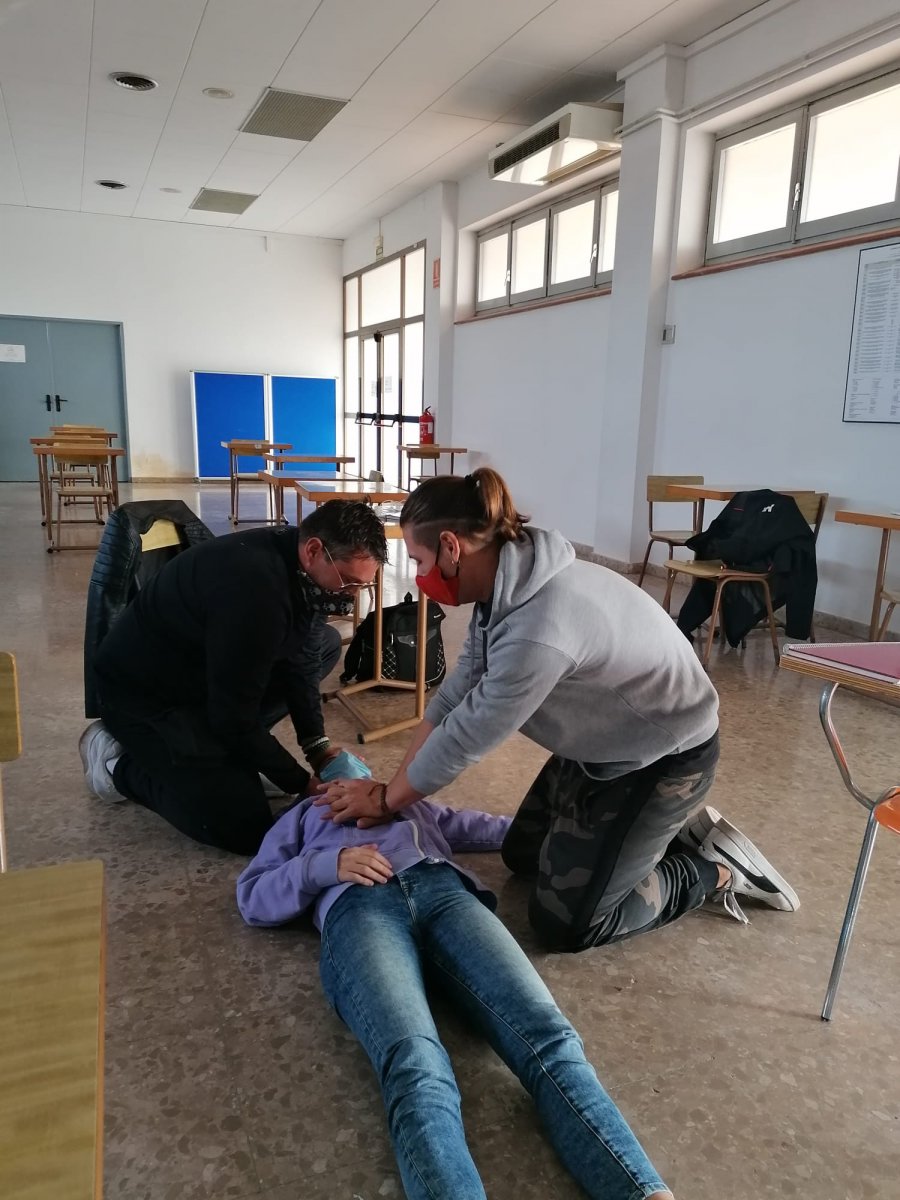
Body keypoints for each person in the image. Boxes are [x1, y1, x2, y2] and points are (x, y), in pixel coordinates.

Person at [315, 468, 799, 947]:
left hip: (663, 755)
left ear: (450, 547)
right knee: (523, 856)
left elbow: (464, 739)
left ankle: (710, 869)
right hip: (602, 741)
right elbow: (454, 698)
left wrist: (386, 800)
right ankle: (652, 835)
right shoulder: (506, 580)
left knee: (568, 925)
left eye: (419, 560)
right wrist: (389, 791)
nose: (421, 576)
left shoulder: (539, 627)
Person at [237, 789, 675, 1200]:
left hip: (444, 893)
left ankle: (645, 1192)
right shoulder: (302, 816)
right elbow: (253, 896)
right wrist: (324, 865)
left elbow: (487, 827)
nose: (342, 773)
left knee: (551, 1036)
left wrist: (597, 847)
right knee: (416, 1064)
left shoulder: (404, 798)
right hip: (358, 909)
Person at [79, 500, 386, 854]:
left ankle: (230, 755)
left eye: (361, 587)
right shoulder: (255, 589)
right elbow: (232, 718)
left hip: (204, 677)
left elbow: (301, 662)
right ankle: (118, 764)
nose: (351, 595)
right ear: (314, 550)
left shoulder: (304, 568)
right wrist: (301, 782)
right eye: (348, 582)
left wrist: (318, 749)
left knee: (325, 645)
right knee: (245, 827)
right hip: (145, 697)